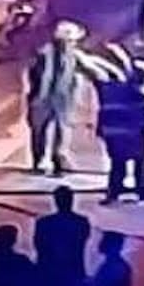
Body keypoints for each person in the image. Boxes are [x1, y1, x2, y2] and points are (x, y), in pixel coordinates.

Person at [94, 47, 144, 204]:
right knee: (142, 160)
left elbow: (104, 110)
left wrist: (101, 130)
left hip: (112, 133)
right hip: (132, 133)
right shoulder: (141, 94)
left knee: (118, 163)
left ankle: (114, 191)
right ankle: (143, 188)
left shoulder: (111, 89)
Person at [27, 21, 87, 176]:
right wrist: (36, 96)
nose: (72, 44)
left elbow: (85, 72)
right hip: (43, 97)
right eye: (70, 41)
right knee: (39, 131)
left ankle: (59, 160)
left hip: (63, 98)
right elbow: (35, 76)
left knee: (63, 130)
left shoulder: (74, 56)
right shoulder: (43, 53)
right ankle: (39, 160)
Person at [34, 185, 91, 286]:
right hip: (73, 273)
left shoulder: (44, 223)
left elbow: (40, 248)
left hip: (50, 275)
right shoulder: (81, 222)